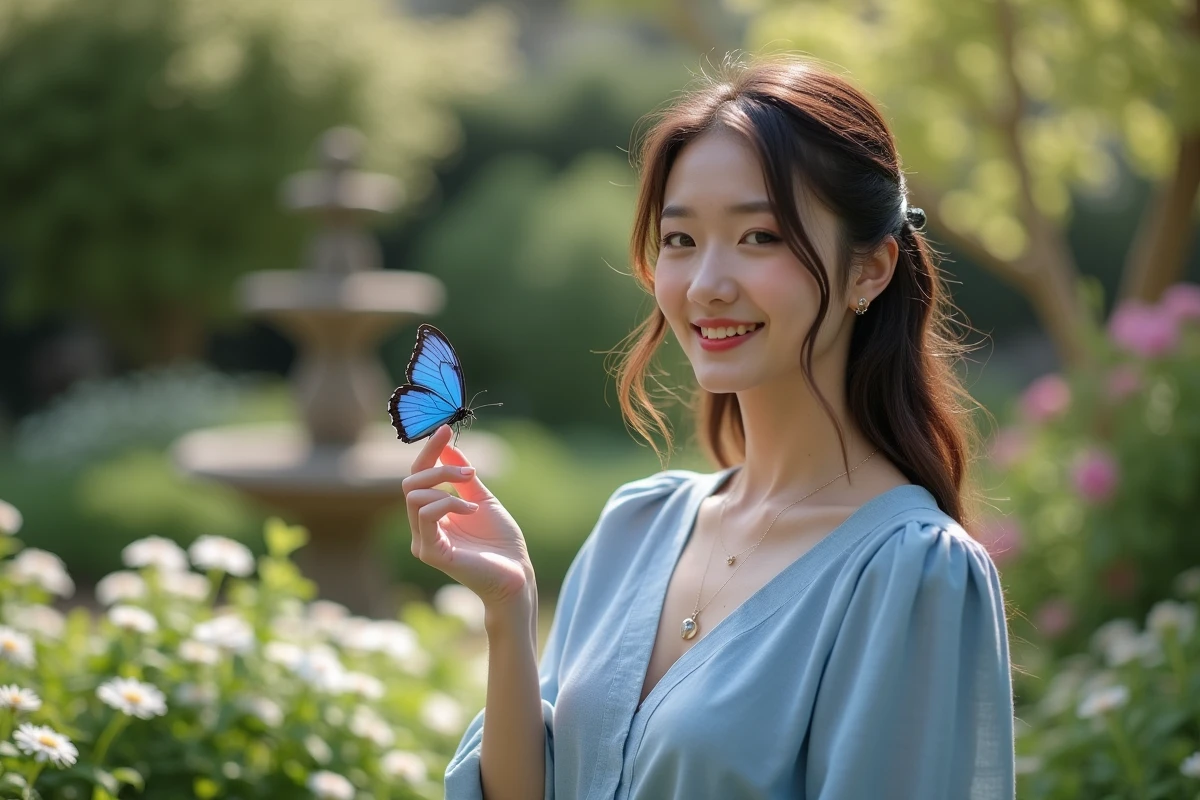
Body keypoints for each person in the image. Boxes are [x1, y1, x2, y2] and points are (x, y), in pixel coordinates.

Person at [404, 55, 1015, 800]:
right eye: (681, 240)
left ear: (871, 269)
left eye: (760, 237)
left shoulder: (911, 574)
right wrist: (509, 609)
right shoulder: (636, 526)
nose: (706, 285)